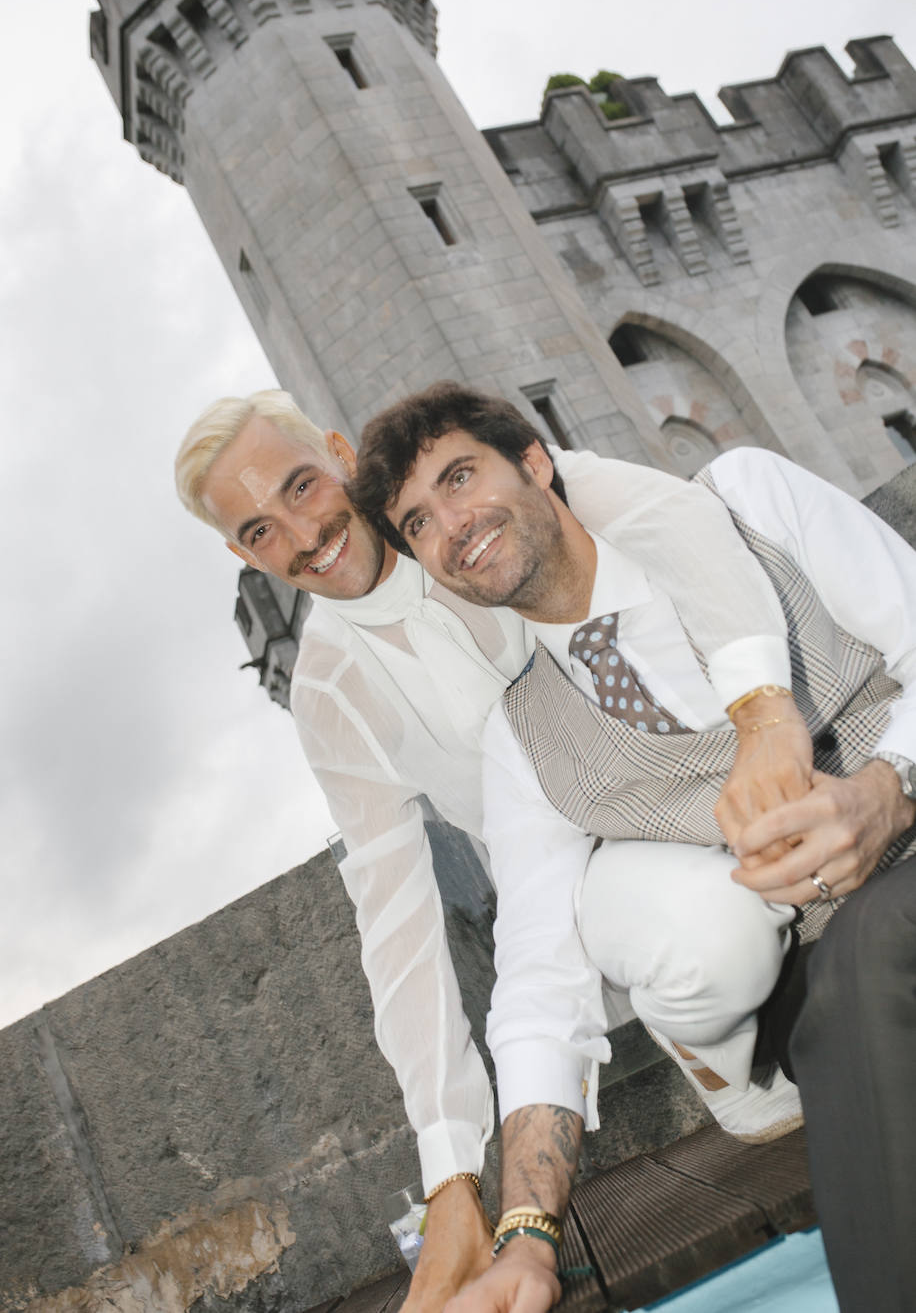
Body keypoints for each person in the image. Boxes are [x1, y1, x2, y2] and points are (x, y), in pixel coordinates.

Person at [176, 389, 809, 1311]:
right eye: (261, 530)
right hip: (591, 878)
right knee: (713, 944)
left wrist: (766, 718)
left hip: (705, 756)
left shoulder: (483, 491)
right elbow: (394, 923)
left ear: (345, 456)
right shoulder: (326, 694)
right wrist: (449, 1176)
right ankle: (710, 1036)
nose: (305, 534)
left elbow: (682, 520)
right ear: (242, 555)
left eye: (305, 485)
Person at [351, 384, 916, 1313]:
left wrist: (887, 788)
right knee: (835, 1005)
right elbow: (539, 983)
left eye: (460, 478)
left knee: (871, 964)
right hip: (812, 965)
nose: (450, 526)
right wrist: (527, 1239)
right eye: (417, 522)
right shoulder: (522, 737)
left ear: (536, 462)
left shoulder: (746, 502)